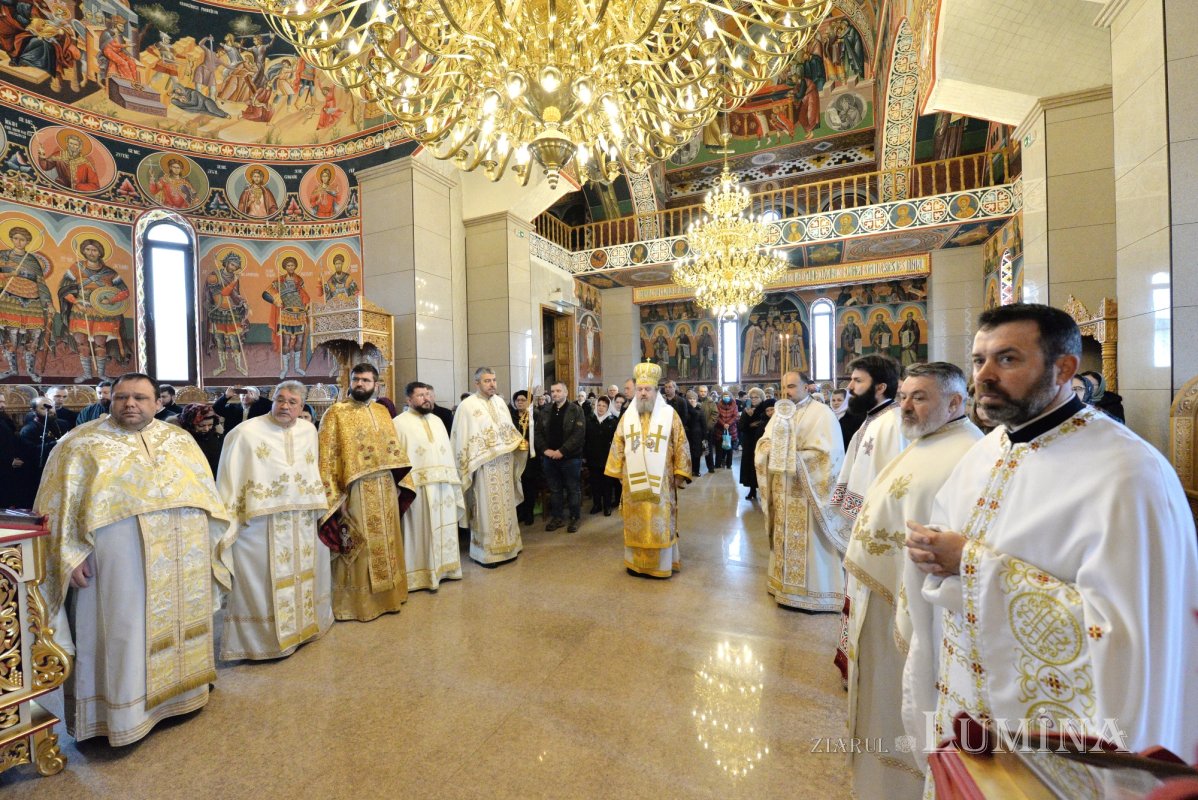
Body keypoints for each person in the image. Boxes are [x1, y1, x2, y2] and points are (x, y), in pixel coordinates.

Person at [904, 304, 1198, 783]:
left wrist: (971, 563)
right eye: (979, 361)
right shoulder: (987, 451)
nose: (985, 376)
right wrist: (931, 553)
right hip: (974, 720)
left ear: (1064, 369)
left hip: (1072, 754)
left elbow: (1129, 636)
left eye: (1008, 360)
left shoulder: (1127, 474)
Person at [36, 372, 232, 746]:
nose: (130, 404)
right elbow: (57, 507)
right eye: (122, 397)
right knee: (124, 628)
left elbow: (207, 498)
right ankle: (123, 714)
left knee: (180, 620)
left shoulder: (179, 440)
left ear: (157, 402)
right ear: (110, 400)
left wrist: (209, 546)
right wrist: (67, 556)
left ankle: (184, 695)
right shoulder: (80, 444)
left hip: (182, 556)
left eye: (140, 398)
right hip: (116, 561)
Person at [842, 363, 981, 799]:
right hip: (882, 597)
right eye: (903, 395)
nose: (905, 405)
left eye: (919, 397)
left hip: (911, 609)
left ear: (955, 402)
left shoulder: (967, 454)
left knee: (901, 704)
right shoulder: (928, 441)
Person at [217, 381, 331, 660]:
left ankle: (304, 628)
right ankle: (261, 642)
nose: (285, 406)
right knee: (262, 581)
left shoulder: (308, 430)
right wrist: (229, 520)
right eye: (280, 399)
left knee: (305, 574)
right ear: (272, 401)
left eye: (293, 402)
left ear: (302, 407)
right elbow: (229, 478)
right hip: (258, 524)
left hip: (301, 519)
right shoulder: (245, 432)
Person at [831, 354, 907, 683]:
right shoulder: (871, 420)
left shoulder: (893, 424)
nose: (850, 387)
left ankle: (871, 672)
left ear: (880, 386)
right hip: (861, 529)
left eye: (857, 381)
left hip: (878, 535)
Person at [318, 363, 411, 620]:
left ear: (376, 385)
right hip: (354, 488)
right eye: (356, 379)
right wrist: (337, 495)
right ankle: (357, 604)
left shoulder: (382, 411)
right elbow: (326, 457)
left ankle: (390, 598)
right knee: (358, 545)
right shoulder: (336, 413)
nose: (360, 384)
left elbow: (393, 449)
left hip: (385, 486)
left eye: (366, 380)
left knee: (389, 539)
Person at [753, 371, 844, 611]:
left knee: (811, 542)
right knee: (783, 537)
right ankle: (783, 588)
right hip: (782, 490)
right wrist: (769, 450)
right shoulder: (781, 413)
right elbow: (763, 443)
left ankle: (814, 595)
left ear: (807, 387)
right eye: (784, 388)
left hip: (808, 494)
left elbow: (829, 455)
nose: (787, 392)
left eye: (792, 386)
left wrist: (793, 458)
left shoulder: (822, 414)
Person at [605, 362, 690, 577]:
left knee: (658, 522)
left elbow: (681, 444)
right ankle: (636, 563)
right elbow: (618, 443)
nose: (643, 394)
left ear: (655, 391)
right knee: (637, 522)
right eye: (640, 389)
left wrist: (680, 474)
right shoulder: (628, 416)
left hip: (661, 485)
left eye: (647, 389)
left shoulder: (670, 414)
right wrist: (617, 471)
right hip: (633, 483)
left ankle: (660, 566)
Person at [393, 381, 465, 591]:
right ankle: (419, 576)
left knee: (444, 530)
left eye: (427, 394)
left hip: (444, 486)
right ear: (408, 400)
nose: (426, 398)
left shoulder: (437, 421)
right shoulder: (398, 423)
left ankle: (447, 570)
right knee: (421, 532)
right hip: (418, 489)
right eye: (420, 395)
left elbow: (447, 453)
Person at [452, 367, 527, 565]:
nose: (492, 384)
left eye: (494, 380)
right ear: (477, 383)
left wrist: (518, 441)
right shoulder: (467, 406)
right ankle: (487, 554)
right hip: (483, 466)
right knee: (486, 507)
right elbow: (462, 439)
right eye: (487, 381)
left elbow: (508, 429)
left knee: (506, 506)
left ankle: (511, 546)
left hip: (504, 464)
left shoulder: (500, 402)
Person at [0, 224, 54, 382]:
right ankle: (12, 369)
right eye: (15, 238)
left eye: (22, 240)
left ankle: (30, 370)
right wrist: (10, 273)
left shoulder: (32, 260)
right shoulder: (3, 256)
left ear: (27, 242)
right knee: (11, 336)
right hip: (10, 298)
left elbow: (41, 283)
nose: (18, 242)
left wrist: (49, 304)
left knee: (34, 336)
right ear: (11, 239)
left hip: (33, 300)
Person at [535, 382, 586, 533]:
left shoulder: (576, 410)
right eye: (553, 391)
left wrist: (562, 451)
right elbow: (538, 433)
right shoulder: (545, 411)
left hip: (570, 458)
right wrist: (545, 450)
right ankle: (557, 517)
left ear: (565, 392)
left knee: (572, 489)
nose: (555, 393)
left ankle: (574, 517)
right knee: (555, 489)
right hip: (549, 458)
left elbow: (579, 434)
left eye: (558, 390)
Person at [263, 255, 311, 379]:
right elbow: (265, 293)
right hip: (286, 314)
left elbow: (305, 295)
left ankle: (296, 367)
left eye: (293, 265)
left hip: (299, 314)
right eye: (288, 265)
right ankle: (285, 368)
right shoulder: (279, 281)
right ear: (285, 267)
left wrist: (306, 306)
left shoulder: (299, 280)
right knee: (286, 341)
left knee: (299, 341)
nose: (291, 267)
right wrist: (275, 301)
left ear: (295, 266)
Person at [204, 251, 251, 376]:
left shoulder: (234, 278)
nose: (233, 268)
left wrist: (242, 300)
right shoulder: (214, 277)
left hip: (232, 311)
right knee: (220, 340)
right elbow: (222, 294)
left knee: (235, 339)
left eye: (236, 266)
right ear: (226, 263)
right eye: (232, 264)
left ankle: (238, 366)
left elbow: (234, 294)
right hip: (218, 311)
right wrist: (234, 282)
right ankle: (222, 366)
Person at [16, 396, 61, 508]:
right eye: (43, 408)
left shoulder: (61, 424)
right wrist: (56, 443)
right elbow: (31, 453)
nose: (49, 410)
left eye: (51, 407)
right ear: (34, 410)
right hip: (37, 474)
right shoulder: (28, 430)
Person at [510, 390, 540, 525]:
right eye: (518, 400)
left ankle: (529, 513)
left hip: (530, 457)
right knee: (517, 484)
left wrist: (529, 441)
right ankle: (520, 511)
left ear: (529, 402)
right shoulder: (511, 417)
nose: (520, 402)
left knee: (529, 485)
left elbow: (540, 434)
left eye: (523, 400)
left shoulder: (535, 416)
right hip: (515, 456)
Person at [585, 396, 618, 515]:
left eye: (604, 406)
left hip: (607, 457)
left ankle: (607, 506)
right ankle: (597, 504)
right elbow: (586, 439)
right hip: (593, 457)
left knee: (607, 483)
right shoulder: (589, 419)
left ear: (608, 407)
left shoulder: (613, 421)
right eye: (599, 405)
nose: (601, 408)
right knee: (594, 483)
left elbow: (616, 441)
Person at [738, 388, 770, 500]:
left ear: (761, 398)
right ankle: (752, 490)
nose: (753, 399)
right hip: (749, 441)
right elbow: (741, 426)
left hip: (761, 440)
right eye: (751, 397)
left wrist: (757, 424)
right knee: (750, 465)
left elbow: (767, 422)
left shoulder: (765, 408)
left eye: (756, 397)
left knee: (761, 464)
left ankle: (764, 490)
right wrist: (749, 418)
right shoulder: (747, 409)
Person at [179, 402, 223, 477]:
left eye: (210, 425)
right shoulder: (182, 439)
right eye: (201, 425)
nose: (206, 429)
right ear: (191, 424)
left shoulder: (217, 436)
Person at [0, 393, 18, 507]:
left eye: (3, 402)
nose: (2, 405)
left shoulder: (4, 418)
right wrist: (9, 460)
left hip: (6, 467)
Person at [713, 390, 738, 470]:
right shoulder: (718, 405)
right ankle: (717, 464)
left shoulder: (734, 405)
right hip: (720, 429)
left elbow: (735, 416)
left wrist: (728, 424)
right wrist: (723, 424)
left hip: (731, 430)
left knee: (729, 449)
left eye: (727, 396)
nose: (726, 398)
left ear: (730, 397)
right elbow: (717, 415)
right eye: (724, 396)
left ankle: (729, 464)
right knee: (719, 448)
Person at [683, 390, 706, 480]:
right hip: (688, 435)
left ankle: (696, 471)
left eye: (693, 399)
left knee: (697, 454)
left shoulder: (700, 411)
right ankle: (689, 471)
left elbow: (704, 425)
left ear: (696, 400)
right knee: (688, 454)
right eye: (690, 399)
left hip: (698, 436)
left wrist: (704, 437)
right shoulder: (686, 411)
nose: (692, 400)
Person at [698, 385, 719, 474]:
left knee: (707, 449)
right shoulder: (694, 400)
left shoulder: (711, 402)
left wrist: (708, 427)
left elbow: (715, 415)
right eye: (701, 391)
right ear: (698, 392)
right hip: (696, 430)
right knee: (696, 449)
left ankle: (710, 467)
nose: (703, 393)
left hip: (707, 430)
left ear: (707, 392)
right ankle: (695, 469)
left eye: (704, 391)